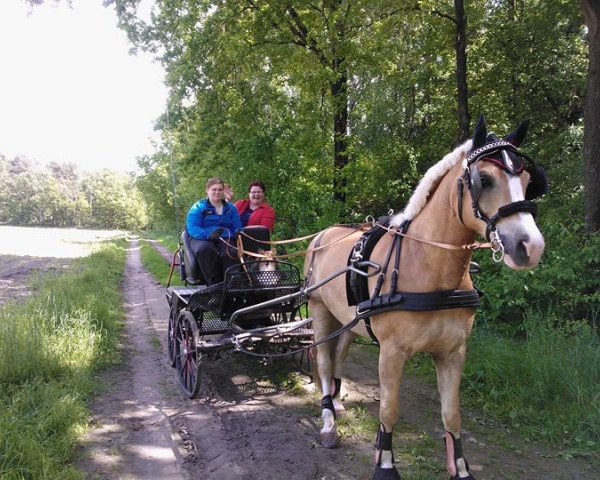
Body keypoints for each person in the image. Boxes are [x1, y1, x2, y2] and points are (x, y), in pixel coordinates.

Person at [186, 177, 242, 286]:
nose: (217, 192)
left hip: (225, 238)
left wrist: (238, 233)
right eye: (214, 189)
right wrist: (208, 235)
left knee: (230, 252)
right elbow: (192, 228)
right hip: (201, 238)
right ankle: (214, 286)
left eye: (220, 190)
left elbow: (237, 227)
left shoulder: (231, 208)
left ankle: (232, 286)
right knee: (205, 250)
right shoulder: (198, 207)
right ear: (207, 190)